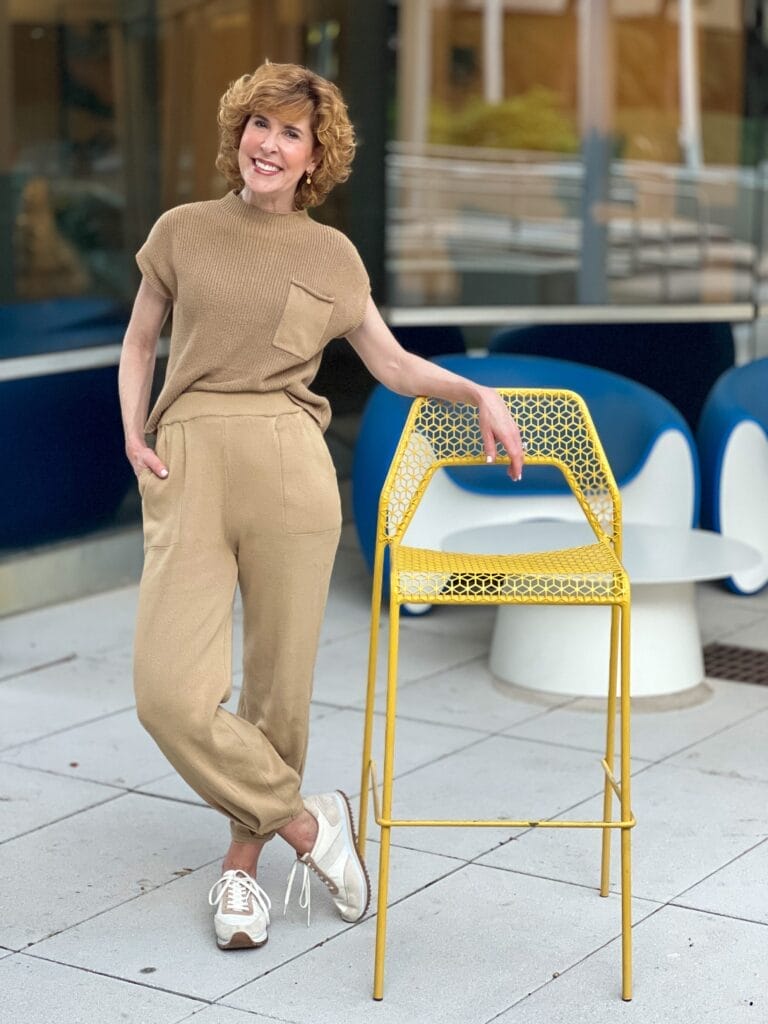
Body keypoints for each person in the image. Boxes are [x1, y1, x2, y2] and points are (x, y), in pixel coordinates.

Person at [118, 61, 524, 953]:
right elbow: (142, 336)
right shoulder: (182, 230)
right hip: (188, 457)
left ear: (315, 156)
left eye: (290, 133)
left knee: (278, 690)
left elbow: (391, 364)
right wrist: (133, 433)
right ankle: (310, 825)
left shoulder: (331, 255)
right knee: (167, 695)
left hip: (292, 469)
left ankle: (241, 873)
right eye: (258, 124)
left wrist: (476, 394)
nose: (268, 143)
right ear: (239, 135)